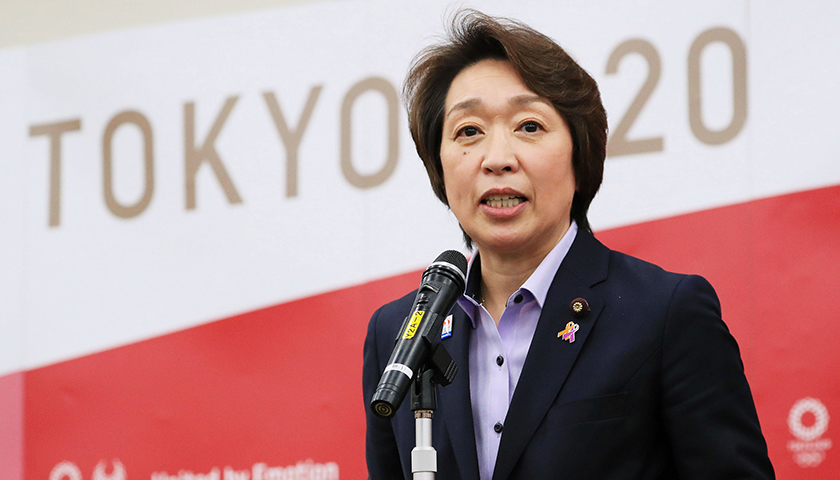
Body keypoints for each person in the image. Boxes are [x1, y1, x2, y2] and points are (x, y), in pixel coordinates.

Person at [363, 10, 775, 480]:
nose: (497, 159)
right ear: (439, 166)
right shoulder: (398, 332)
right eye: (469, 131)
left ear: (581, 157)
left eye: (529, 126)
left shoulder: (664, 314)